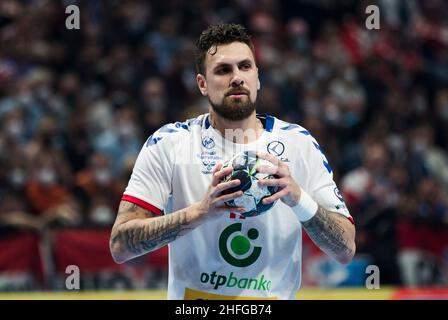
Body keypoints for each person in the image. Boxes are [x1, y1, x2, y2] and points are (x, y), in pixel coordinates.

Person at [110, 23, 356, 300]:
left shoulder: (299, 144)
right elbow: (121, 246)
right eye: (223, 70)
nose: (237, 77)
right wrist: (200, 212)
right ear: (202, 84)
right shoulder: (170, 144)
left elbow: (345, 248)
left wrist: (298, 198)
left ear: (258, 78)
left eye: (245, 67)